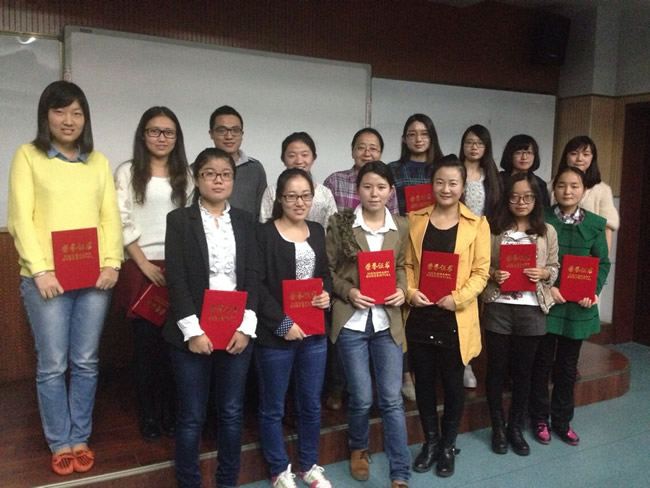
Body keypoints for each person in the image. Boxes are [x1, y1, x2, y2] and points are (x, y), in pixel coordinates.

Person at [7, 80, 123, 475]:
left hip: (94, 281)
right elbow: (20, 218)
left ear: (85, 118)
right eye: (59, 111)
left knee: (86, 362)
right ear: (46, 116)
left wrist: (112, 263)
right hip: (47, 281)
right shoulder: (28, 155)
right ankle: (59, 441)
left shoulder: (98, 162)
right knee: (53, 364)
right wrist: (40, 270)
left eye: (76, 112)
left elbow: (109, 217)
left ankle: (80, 437)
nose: (68, 120)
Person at [163, 148, 259, 488]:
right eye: (210, 173)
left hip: (236, 331)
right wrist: (193, 331)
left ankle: (227, 481)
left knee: (231, 412)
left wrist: (246, 328)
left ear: (233, 179)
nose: (218, 180)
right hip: (193, 331)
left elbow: (253, 275)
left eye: (225, 174)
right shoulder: (179, 220)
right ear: (197, 178)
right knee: (192, 415)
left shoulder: (246, 221)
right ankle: (189, 482)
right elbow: (176, 280)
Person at [327, 161, 411, 488]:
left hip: (387, 323)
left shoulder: (400, 226)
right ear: (357, 189)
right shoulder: (342, 223)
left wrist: (401, 289)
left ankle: (399, 469)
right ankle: (358, 449)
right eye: (367, 186)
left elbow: (401, 265)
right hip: (352, 322)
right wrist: (348, 292)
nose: (374, 193)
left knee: (391, 399)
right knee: (361, 397)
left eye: (380, 187)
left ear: (390, 191)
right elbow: (328, 270)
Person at [405, 155, 490, 477]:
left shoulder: (477, 225)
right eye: (440, 182)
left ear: (463, 186)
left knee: (454, 384)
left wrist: (458, 298)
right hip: (421, 313)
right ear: (432, 184)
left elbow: (481, 273)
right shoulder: (415, 220)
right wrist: (410, 291)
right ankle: (430, 442)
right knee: (424, 382)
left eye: (453, 183)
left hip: (455, 316)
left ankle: (448, 445)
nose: (446, 188)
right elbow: (407, 265)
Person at [114, 106, 193, 440]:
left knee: (176, 347)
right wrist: (144, 264)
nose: (161, 138)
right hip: (141, 268)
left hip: (178, 269)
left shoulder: (187, 174)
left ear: (177, 138)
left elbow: (191, 222)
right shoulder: (128, 172)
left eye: (168, 132)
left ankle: (170, 412)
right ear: (143, 135)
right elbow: (120, 219)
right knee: (146, 350)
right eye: (154, 131)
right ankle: (149, 415)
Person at [255, 168, 333, 488]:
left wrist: (326, 294)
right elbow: (257, 286)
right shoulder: (263, 234)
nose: (299, 202)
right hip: (276, 335)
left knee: (311, 403)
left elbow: (324, 275)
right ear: (279, 198)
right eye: (291, 196)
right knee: (272, 407)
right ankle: (278, 469)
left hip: (313, 333)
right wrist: (283, 323)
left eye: (305, 196)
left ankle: (309, 465)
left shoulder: (316, 230)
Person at [529, 166, 610, 447]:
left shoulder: (596, 224)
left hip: (578, 307)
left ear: (584, 190)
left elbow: (602, 263)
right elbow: (533, 259)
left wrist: (592, 291)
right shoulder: (541, 218)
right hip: (547, 303)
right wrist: (548, 287)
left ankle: (562, 421)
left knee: (567, 367)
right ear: (554, 189)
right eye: (561, 185)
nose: (567, 191)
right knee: (541, 364)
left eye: (574, 186)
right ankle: (539, 419)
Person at [480, 172, 559, 456]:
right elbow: (479, 266)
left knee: (524, 373)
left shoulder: (547, 231)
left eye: (527, 197)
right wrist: (493, 274)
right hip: (498, 307)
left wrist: (544, 273)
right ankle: (498, 428)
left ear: (536, 200)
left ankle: (515, 427)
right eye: (514, 196)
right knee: (496, 370)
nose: (521, 202)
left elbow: (554, 267)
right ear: (506, 198)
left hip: (532, 309)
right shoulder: (493, 229)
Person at [458, 124, 502, 389]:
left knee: (474, 305)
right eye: (469, 142)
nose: (474, 147)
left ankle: (467, 362)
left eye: (479, 143)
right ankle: (455, 361)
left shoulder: (492, 176)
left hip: (482, 245)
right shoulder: (454, 170)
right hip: (455, 243)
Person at [551, 136, 619, 253]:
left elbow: (607, 228)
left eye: (586, 154)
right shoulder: (550, 186)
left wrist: (603, 257)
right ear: (566, 156)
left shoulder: (602, 190)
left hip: (586, 252)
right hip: (555, 249)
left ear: (593, 157)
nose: (579, 159)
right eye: (574, 153)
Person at [259, 132, 337, 229]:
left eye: (304, 155)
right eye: (292, 156)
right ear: (283, 159)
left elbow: (333, 230)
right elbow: (264, 227)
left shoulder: (325, 194)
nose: (299, 161)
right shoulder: (272, 192)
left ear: (313, 158)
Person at [209, 105, 267, 220]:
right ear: (211, 134)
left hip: (247, 230)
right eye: (222, 130)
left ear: (242, 134)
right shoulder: (198, 169)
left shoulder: (255, 169)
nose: (229, 136)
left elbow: (261, 213)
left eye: (235, 130)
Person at [324, 127, 399, 214]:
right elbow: (324, 218)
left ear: (380, 154)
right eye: (361, 148)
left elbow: (393, 218)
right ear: (352, 152)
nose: (367, 154)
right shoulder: (334, 181)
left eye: (373, 149)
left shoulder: (387, 184)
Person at [388, 113, 444, 216]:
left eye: (424, 134)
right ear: (404, 139)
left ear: (432, 137)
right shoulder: (393, 169)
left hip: (437, 224)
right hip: (402, 224)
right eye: (412, 134)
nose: (418, 139)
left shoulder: (442, 168)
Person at [498, 134, 550, 207]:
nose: (524, 157)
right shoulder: (498, 180)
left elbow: (544, 209)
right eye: (518, 153)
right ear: (510, 155)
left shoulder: (540, 184)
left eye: (529, 153)